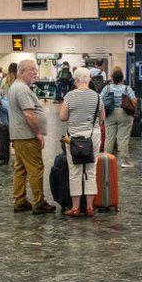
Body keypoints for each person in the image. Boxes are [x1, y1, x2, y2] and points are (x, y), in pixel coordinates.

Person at [8, 59, 53, 214]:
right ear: (21, 72)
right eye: (31, 70)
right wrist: (38, 133)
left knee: (20, 168)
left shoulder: (17, 87)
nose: (35, 72)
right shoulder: (22, 89)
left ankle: (19, 200)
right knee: (36, 168)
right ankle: (38, 202)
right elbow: (29, 113)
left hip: (19, 135)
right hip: (27, 136)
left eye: (35, 69)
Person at [59, 68, 106, 217]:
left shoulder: (69, 96)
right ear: (89, 79)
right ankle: (90, 207)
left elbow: (63, 117)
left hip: (74, 136)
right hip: (93, 135)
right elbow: (102, 118)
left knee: (75, 171)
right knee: (91, 170)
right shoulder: (98, 97)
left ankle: (76, 207)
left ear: (76, 80)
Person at [101, 67, 136, 168]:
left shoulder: (107, 88)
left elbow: (100, 100)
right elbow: (134, 101)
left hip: (110, 113)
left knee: (109, 137)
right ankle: (124, 161)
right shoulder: (126, 88)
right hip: (123, 113)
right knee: (123, 138)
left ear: (112, 78)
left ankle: (106, 159)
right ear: (122, 78)